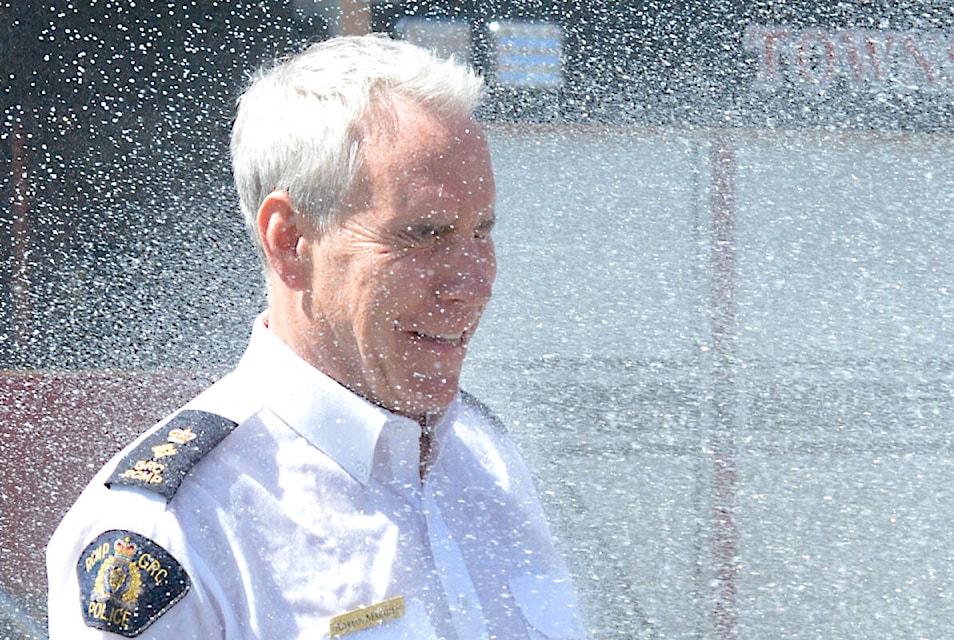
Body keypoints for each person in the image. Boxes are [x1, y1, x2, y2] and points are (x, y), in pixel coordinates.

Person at [46, 35, 586, 639]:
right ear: (290, 241)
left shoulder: (483, 452)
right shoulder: (172, 530)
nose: (472, 283)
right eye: (423, 235)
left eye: (481, 232)